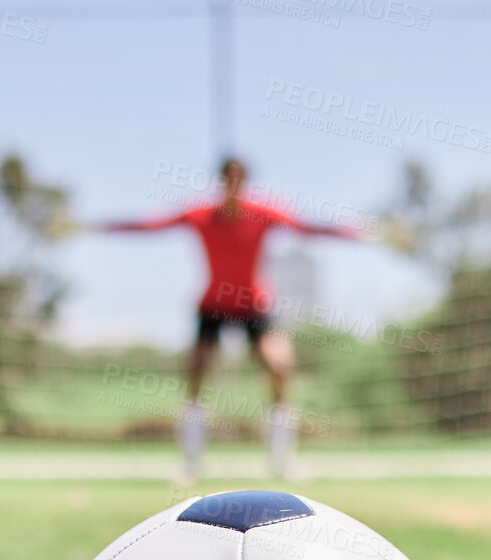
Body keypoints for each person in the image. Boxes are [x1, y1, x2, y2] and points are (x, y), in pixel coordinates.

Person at [96, 157, 364, 480]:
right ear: (222, 182)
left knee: (279, 366)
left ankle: (281, 461)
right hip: (214, 305)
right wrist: (94, 226)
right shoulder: (200, 215)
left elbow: (307, 228)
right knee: (196, 369)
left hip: (253, 304)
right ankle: (192, 462)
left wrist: (361, 232)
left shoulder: (263, 212)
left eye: (240, 180)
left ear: (246, 182)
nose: (234, 186)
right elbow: (149, 226)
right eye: (228, 179)